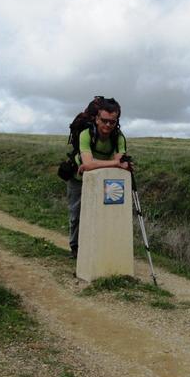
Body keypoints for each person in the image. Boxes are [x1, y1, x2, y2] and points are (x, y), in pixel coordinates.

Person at [67, 97, 129, 259]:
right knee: (77, 214)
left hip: (103, 180)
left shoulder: (118, 137)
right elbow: (87, 164)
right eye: (104, 121)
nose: (108, 125)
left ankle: (99, 244)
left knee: (103, 213)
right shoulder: (85, 134)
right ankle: (75, 247)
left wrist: (96, 164)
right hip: (78, 178)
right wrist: (114, 163)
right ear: (96, 118)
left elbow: (121, 164)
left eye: (112, 122)